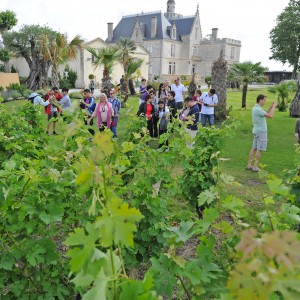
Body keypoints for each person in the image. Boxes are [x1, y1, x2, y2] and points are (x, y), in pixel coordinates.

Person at [246, 94, 277, 172]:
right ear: (260, 100)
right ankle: (255, 166)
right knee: (259, 149)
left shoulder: (256, 108)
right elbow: (270, 116)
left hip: (257, 131)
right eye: (264, 100)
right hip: (261, 132)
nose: (265, 102)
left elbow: (265, 113)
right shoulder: (258, 109)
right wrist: (274, 107)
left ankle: (249, 165)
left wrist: (271, 106)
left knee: (254, 148)